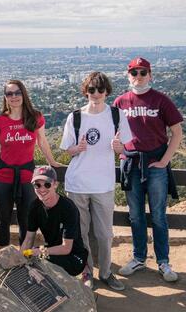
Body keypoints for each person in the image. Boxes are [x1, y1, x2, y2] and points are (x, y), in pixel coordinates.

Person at [60, 72, 132, 290]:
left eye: (100, 89)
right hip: (78, 183)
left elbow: (124, 147)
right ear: (86, 91)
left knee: (104, 233)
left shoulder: (117, 115)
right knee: (81, 233)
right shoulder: (76, 117)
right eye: (91, 89)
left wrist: (119, 148)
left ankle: (107, 271)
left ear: (107, 92)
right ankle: (86, 272)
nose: (96, 93)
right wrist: (77, 149)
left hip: (103, 184)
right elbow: (67, 150)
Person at [114, 57, 183, 282]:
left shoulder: (161, 100)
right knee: (135, 216)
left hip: (155, 166)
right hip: (131, 165)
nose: (138, 76)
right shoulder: (120, 102)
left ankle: (163, 262)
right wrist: (118, 149)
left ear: (150, 75)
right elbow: (111, 131)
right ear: (128, 76)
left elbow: (177, 132)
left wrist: (164, 161)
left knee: (159, 216)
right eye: (134, 72)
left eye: (143, 72)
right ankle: (139, 258)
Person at [0, 80, 61, 248]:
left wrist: (52, 162)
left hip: (27, 175)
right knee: (3, 220)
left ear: (23, 94)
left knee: (26, 220)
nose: (14, 97)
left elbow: (42, 142)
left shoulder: (35, 117)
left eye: (17, 92)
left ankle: (24, 257)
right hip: (3, 175)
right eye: (9, 94)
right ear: (5, 98)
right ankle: (4, 255)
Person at [21, 166, 88, 277]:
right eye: (37, 185)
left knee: (38, 260)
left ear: (55, 185)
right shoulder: (34, 206)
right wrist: (19, 258)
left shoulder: (68, 207)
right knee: (31, 258)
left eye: (47, 184)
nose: (42, 189)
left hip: (73, 256)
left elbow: (66, 248)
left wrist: (40, 252)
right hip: (52, 250)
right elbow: (28, 239)